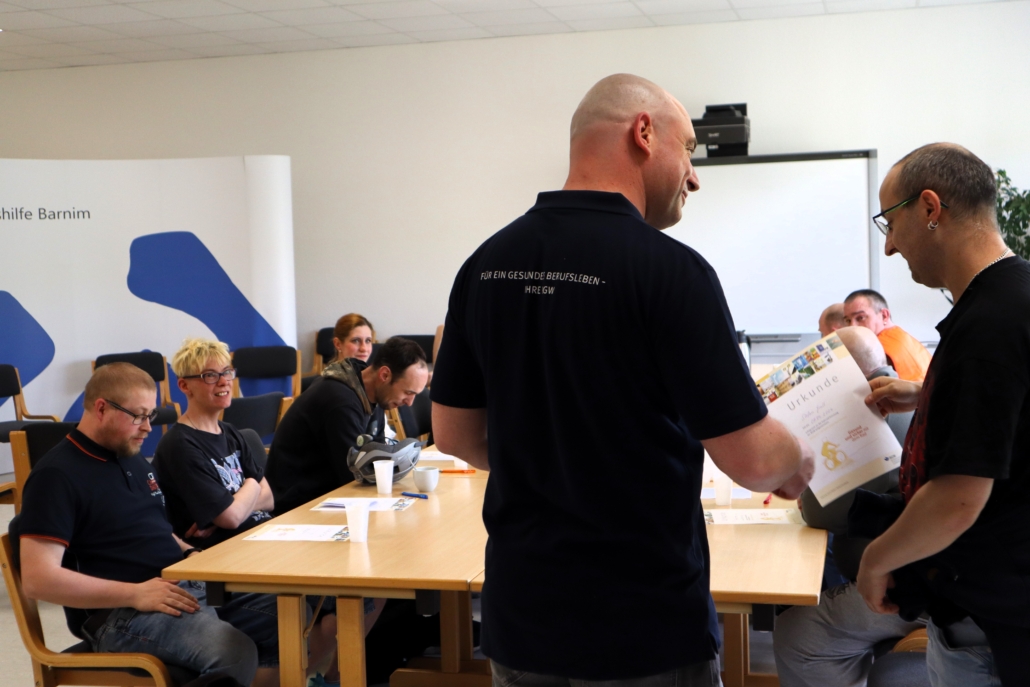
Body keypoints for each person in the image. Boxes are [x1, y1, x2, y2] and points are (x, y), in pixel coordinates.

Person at [430, 73, 815, 686]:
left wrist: (551, 460)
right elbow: (756, 461)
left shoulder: (484, 263)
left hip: (520, 619)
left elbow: (453, 435)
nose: (693, 176)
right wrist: (797, 456)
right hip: (642, 629)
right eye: (688, 149)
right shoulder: (673, 272)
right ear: (643, 133)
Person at [858, 143, 1028, 684]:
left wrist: (877, 560)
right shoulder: (1013, 294)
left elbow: (957, 499)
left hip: (987, 631)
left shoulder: (988, 326)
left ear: (930, 208)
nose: (889, 247)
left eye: (891, 223)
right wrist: (926, 392)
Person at [16, 363, 259, 686]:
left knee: (283, 610)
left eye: (151, 415)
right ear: (101, 408)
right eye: (139, 416)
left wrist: (189, 553)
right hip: (122, 613)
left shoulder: (130, 454)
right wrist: (135, 594)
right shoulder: (56, 476)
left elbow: (153, 528)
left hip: (180, 586)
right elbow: (38, 580)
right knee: (234, 651)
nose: (147, 427)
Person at [774, 326, 924, 687]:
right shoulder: (908, 393)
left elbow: (820, 514)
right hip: (918, 573)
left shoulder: (864, 408)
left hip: (912, 589)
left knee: (797, 634)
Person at [265, 336, 429, 515]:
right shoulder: (341, 403)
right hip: (298, 507)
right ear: (384, 375)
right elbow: (356, 475)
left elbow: (377, 461)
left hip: (329, 497)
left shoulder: (373, 393)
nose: (410, 403)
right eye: (408, 392)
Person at [843, 289, 932, 382]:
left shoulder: (876, 349)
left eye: (860, 318)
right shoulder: (905, 338)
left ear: (884, 315)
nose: (852, 326)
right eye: (848, 320)